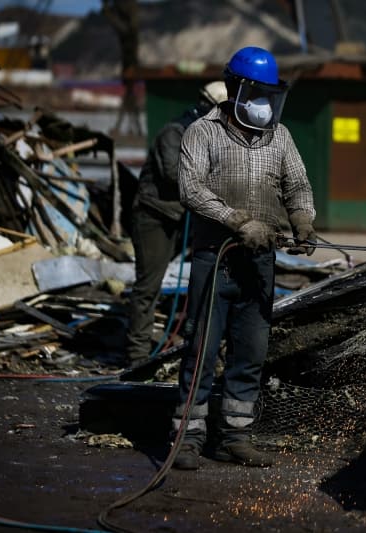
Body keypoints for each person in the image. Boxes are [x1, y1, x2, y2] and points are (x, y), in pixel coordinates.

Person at [172, 46, 317, 470]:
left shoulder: (281, 137)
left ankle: (234, 436)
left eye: (270, 95)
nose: (263, 103)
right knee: (201, 349)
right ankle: (187, 437)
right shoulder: (203, 133)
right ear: (235, 88)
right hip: (214, 261)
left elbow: (298, 186)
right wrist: (238, 221)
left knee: (250, 352)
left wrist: (303, 220)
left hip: (259, 264)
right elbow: (191, 190)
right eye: (256, 92)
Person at [126, 81, 227, 363]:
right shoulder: (174, 133)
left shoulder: (207, 138)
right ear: (208, 106)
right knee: (148, 287)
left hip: (181, 218)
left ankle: (199, 349)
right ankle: (137, 356)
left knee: (206, 284)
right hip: (154, 217)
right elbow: (174, 174)